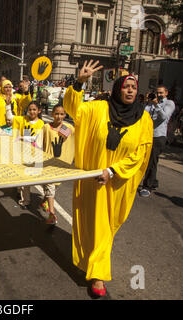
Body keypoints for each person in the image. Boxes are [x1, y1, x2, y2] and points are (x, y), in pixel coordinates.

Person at [63, 60, 153, 298]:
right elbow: (73, 109)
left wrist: (113, 171)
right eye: (126, 86)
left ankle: (95, 268)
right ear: (117, 89)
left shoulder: (144, 119)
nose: (131, 90)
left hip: (118, 182)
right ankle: (98, 272)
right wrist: (80, 82)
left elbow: (140, 153)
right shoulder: (99, 108)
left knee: (106, 228)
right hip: (93, 181)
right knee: (94, 225)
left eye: (134, 87)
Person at [40, 104, 75, 224]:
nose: (59, 116)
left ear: (65, 115)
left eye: (61, 114)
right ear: (52, 114)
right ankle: (52, 215)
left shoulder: (68, 127)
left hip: (60, 165)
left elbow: (77, 137)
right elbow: (41, 143)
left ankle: (45, 201)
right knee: (50, 187)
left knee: (53, 188)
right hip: (48, 164)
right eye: (56, 113)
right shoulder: (46, 127)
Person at [140, 85, 175, 197]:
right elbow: (143, 115)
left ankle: (147, 187)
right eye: (157, 93)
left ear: (166, 93)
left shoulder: (169, 103)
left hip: (158, 136)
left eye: (161, 93)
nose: (159, 95)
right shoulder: (150, 104)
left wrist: (156, 104)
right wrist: (147, 102)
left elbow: (164, 117)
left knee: (151, 161)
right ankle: (153, 182)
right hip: (147, 135)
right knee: (145, 159)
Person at [12, 101, 45, 209]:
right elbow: (10, 118)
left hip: (35, 155)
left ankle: (24, 194)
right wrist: (8, 106)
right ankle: (25, 200)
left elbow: (37, 139)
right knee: (23, 176)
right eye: (30, 109)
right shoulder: (23, 120)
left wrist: (21, 138)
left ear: (39, 111)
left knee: (32, 177)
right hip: (22, 153)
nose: (31, 111)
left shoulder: (41, 124)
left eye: (34, 109)